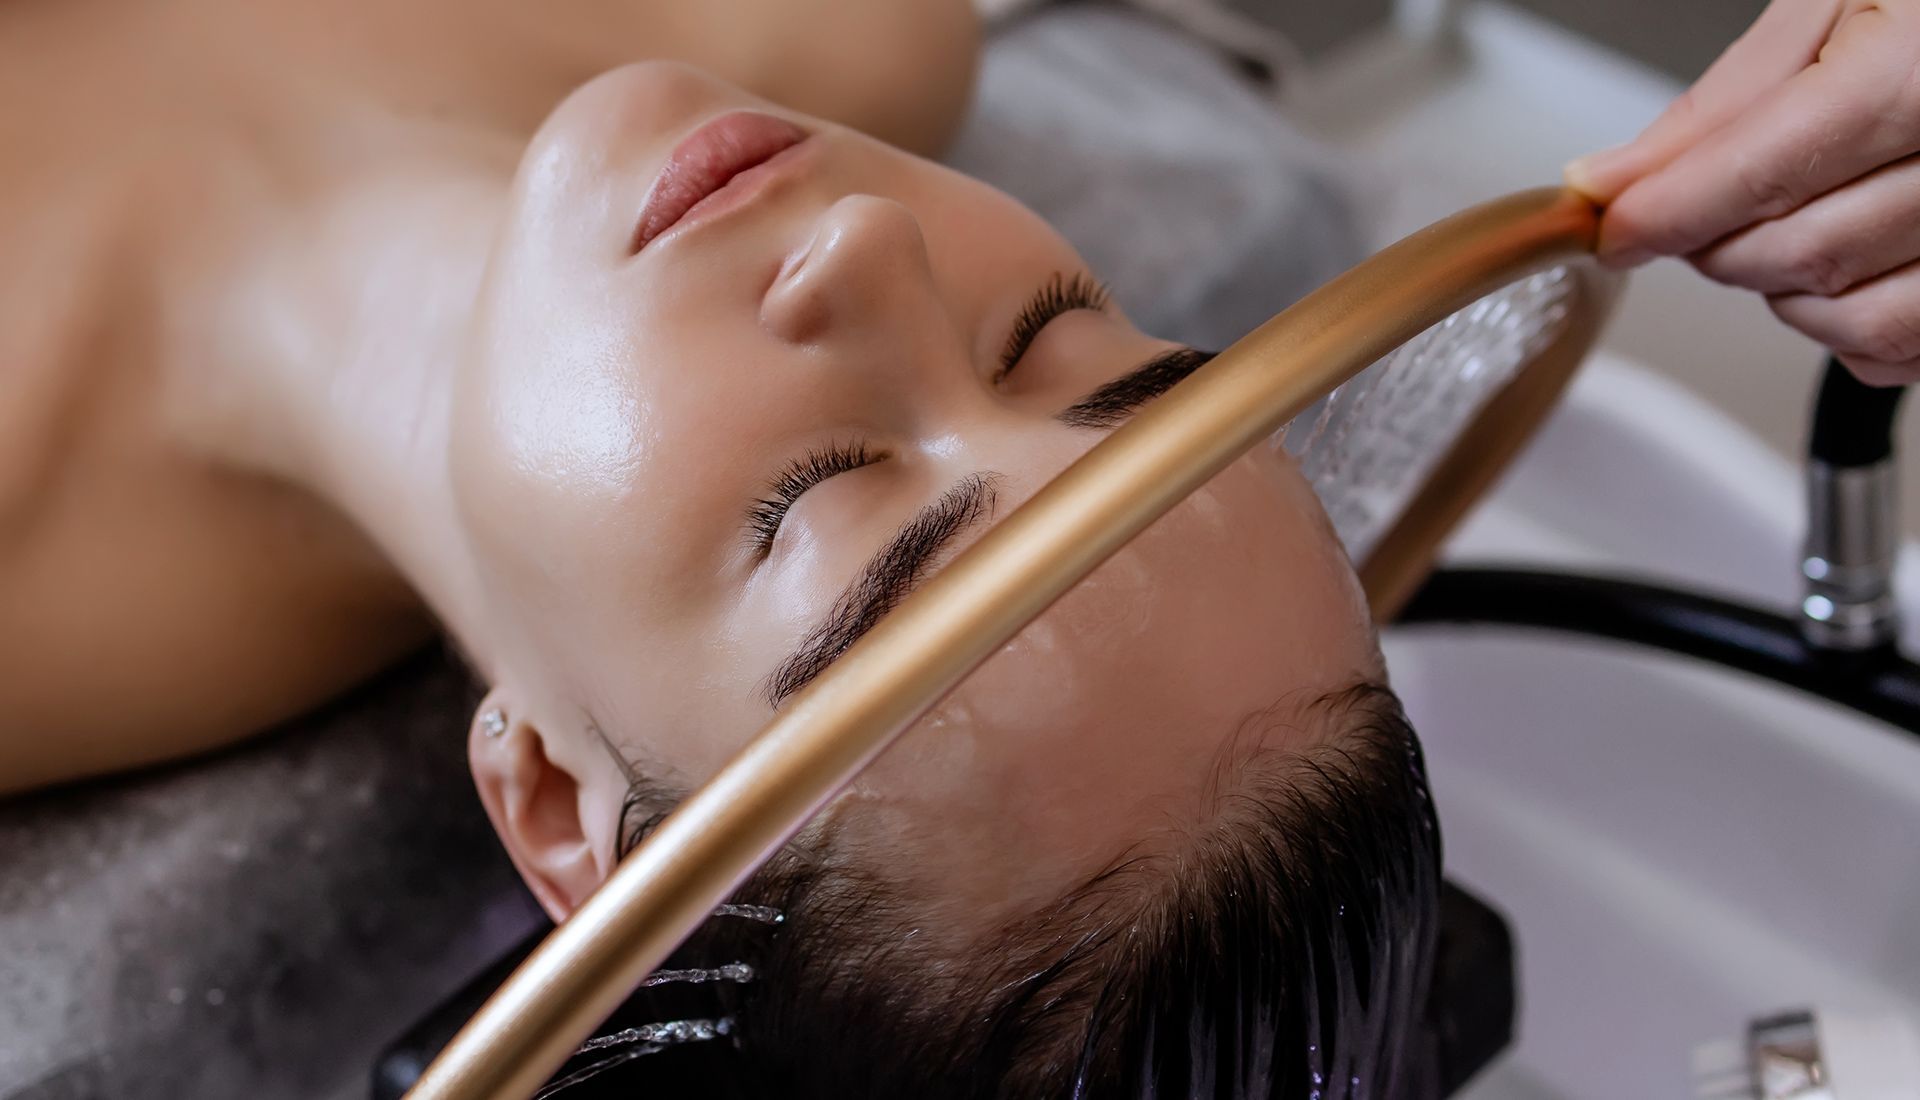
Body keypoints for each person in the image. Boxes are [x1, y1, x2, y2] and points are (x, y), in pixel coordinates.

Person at [2, 2, 1442, 1096]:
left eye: (823, 494)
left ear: (565, 812)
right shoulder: (857, 26)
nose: (874, 244)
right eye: (1051, 335)